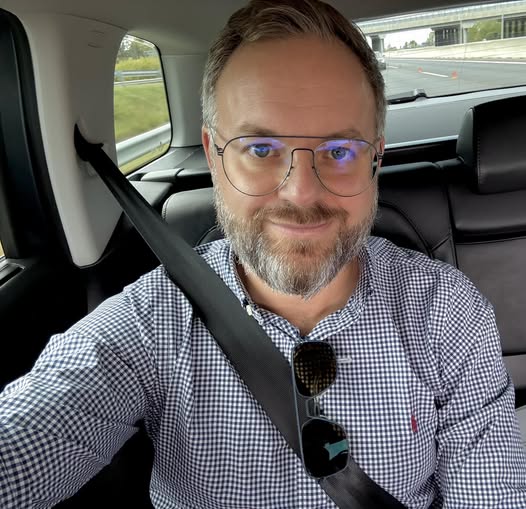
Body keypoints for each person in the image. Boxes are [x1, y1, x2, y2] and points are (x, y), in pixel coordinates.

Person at [1, 0, 526, 507]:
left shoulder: (446, 311)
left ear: (376, 159)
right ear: (213, 156)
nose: (300, 192)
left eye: (339, 151)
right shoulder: (150, 322)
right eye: (259, 149)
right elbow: (31, 435)